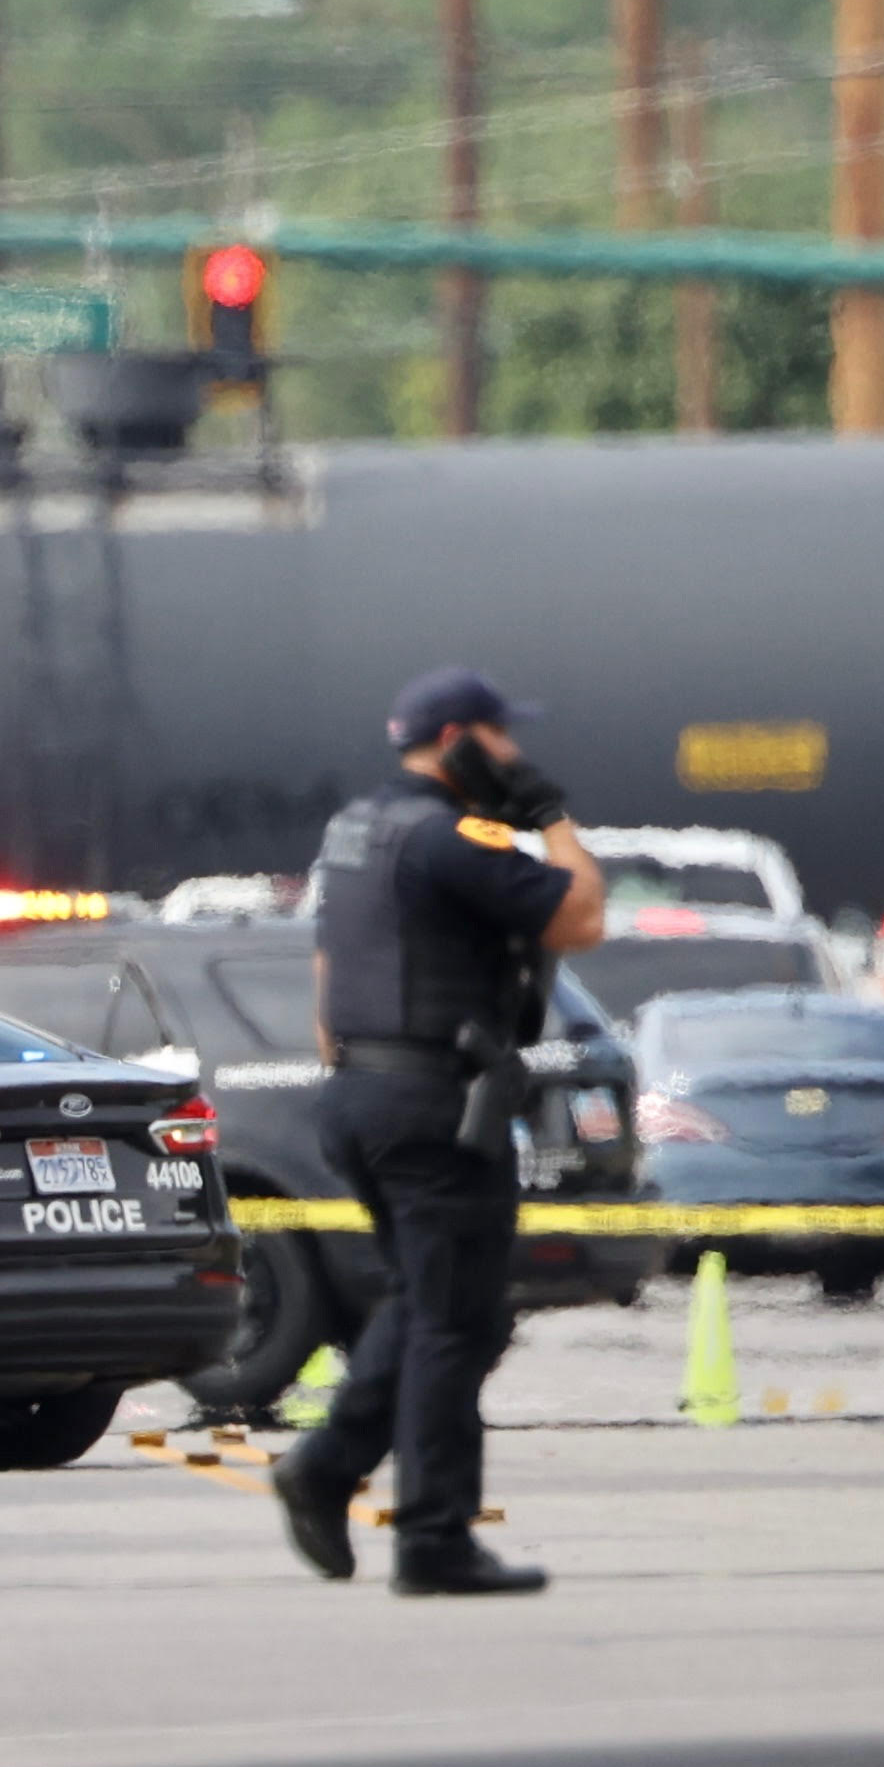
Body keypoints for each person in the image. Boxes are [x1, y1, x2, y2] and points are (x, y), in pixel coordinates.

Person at [272, 668, 608, 1596]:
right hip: (433, 1112)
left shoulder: (355, 830)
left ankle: (330, 1468)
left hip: (362, 1096)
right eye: (505, 740)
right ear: (462, 739)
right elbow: (582, 916)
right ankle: (430, 1537)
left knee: (433, 1307)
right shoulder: (450, 835)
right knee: (456, 1323)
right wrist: (551, 817)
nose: (516, 756)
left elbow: (330, 973)